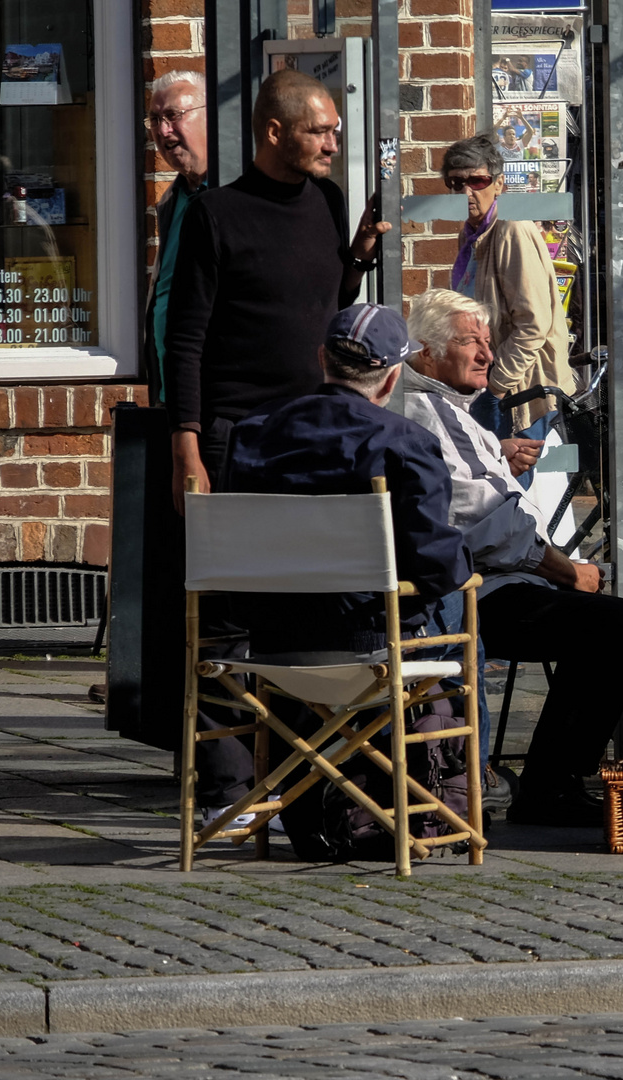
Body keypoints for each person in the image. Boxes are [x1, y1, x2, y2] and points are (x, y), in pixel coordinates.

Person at [161, 68, 390, 823]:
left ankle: (305, 783)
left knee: (314, 606)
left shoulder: (325, 202)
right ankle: (228, 794)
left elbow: (325, 311)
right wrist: (187, 448)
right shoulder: (215, 216)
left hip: (312, 436)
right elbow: (185, 340)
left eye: (333, 130)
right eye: (321, 131)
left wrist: (354, 258)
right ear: (274, 132)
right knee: (228, 614)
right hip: (236, 434)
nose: (333, 143)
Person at [221, 304, 476, 848]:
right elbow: (436, 563)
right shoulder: (402, 440)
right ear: (390, 376)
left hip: (271, 652)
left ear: (322, 359)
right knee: (461, 599)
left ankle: (318, 798)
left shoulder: (250, 435)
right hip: (371, 649)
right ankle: (447, 791)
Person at [400, 289, 623, 827]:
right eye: (471, 342)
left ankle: (553, 780)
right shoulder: (429, 407)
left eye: (487, 342)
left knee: (615, 620)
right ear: (426, 352)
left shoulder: (438, 407)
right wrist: (570, 570)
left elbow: (463, 487)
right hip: (476, 594)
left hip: (471, 588)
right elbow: (490, 525)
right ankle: (552, 785)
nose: (487, 355)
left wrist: (494, 451)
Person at [442, 133, 572, 463]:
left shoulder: (511, 229)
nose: (466, 192)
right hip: (487, 385)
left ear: (498, 184)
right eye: (455, 183)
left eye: (477, 180)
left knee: (511, 495)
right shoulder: (472, 233)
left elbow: (533, 325)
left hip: (519, 395)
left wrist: (496, 388)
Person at [143, 70, 209, 405]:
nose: (163, 130)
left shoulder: (233, 199)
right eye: (155, 119)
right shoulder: (174, 199)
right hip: (172, 399)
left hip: (217, 402)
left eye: (173, 116)